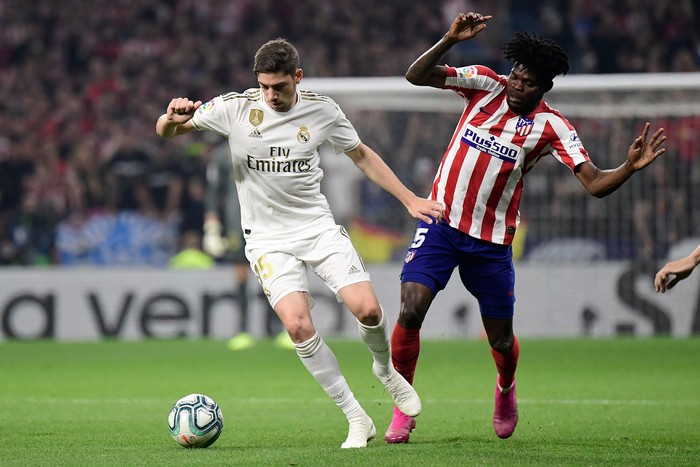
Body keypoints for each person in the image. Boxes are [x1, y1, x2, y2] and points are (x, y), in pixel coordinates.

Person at [385, 12, 667, 444]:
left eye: (528, 81)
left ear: (544, 88)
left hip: (492, 243)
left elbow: (594, 184)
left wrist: (628, 166)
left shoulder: (552, 126)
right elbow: (415, 75)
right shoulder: (483, 83)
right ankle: (403, 408)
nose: (517, 84)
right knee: (409, 309)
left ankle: (505, 389)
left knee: (500, 340)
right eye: (516, 75)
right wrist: (448, 38)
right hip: (440, 222)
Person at [155, 38, 445, 449]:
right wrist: (170, 117)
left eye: (280, 86)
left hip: (316, 227)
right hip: (267, 240)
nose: (271, 95)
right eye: (265, 86)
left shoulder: (322, 110)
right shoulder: (236, 108)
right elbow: (167, 132)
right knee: (297, 325)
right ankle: (355, 417)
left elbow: (361, 155)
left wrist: (411, 199)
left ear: (298, 78)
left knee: (368, 309)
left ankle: (385, 370)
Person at [202, 141, 293, 350]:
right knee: (241, 275)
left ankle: (278, 329)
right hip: (237, 219)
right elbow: (213, 191)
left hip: (267, 217)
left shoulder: (268, 145)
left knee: (271, 274)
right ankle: (242, 331)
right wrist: (212, 225)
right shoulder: (223, 154)